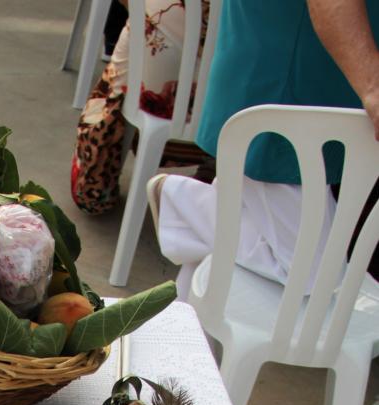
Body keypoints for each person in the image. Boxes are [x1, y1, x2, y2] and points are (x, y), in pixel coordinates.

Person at [149, 0, 379, 296]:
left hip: (315, 83)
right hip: (287, 81)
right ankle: (182, 203)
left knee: (227, 257)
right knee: (314, 273)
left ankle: (186, 320)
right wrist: (373, 87)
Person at [72, 0, 211, 216]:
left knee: (129, 69)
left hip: (159, 96)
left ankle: (97, 178)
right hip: (238, 115)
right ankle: (214, 171)